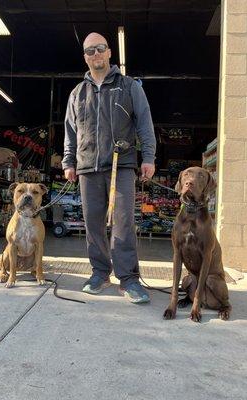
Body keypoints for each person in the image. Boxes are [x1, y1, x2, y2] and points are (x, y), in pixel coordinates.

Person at [62, 32, 156, 303]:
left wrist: (147, 157)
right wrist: (69, 161)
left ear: (109, 52)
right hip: (87, 167)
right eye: (90, 51)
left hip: (122, 164)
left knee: (123, 224)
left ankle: (128, 279)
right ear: (85, 57)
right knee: (92, 224)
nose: (95, 54)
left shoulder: (129, 86)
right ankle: (100, 272)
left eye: (100, 48)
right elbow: (70, 130)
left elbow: (144, 123)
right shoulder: (78, 93)